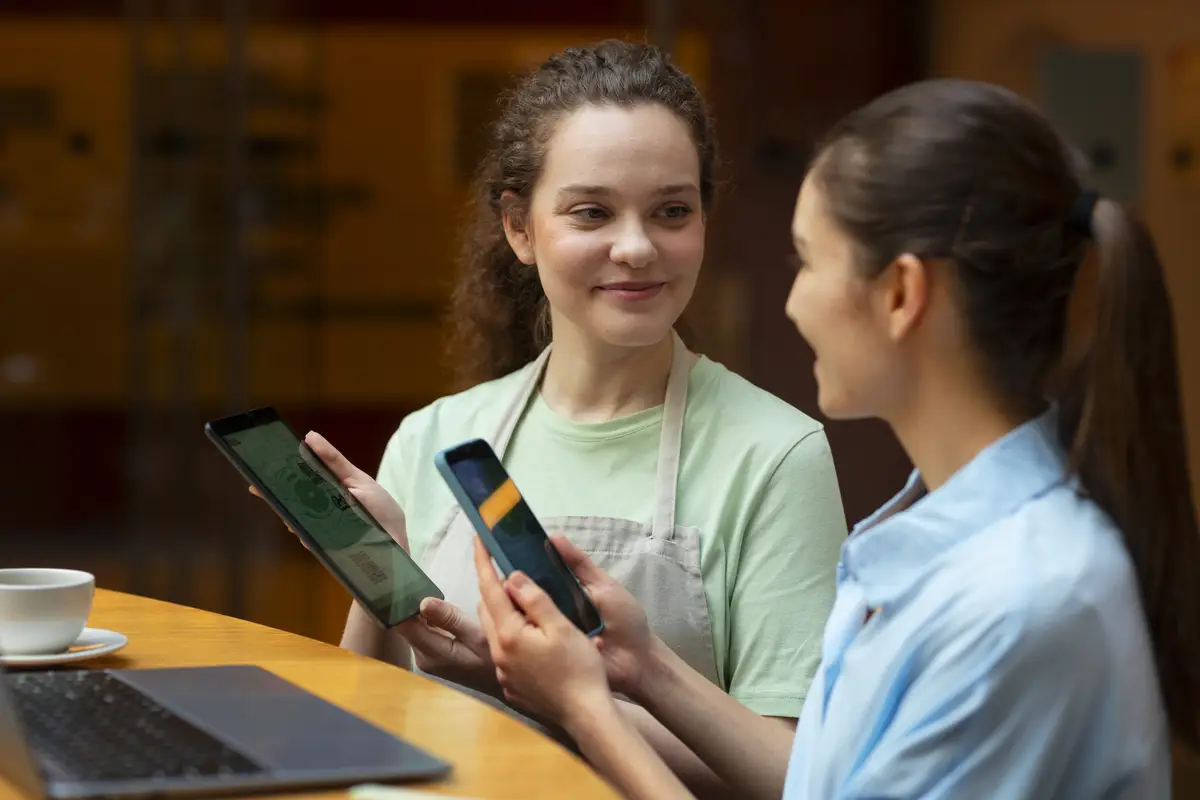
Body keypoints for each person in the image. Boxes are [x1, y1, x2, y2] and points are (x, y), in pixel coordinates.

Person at [469, 77, 1200, 799]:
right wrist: (643, 666)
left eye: (807, 261)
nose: (791, 303)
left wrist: (584, 711)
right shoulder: (925, 538)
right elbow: (824, 782)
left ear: (901, 295)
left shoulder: (1023, 597)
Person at [283, 40, 848, 796]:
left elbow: (796, 773)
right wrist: (372, 577)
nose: (638, 246)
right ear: (520, 228)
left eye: (672, 211)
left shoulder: (776, 455)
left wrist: (550, 693)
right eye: (592, 212)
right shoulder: (435, 435)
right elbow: (368, 717)